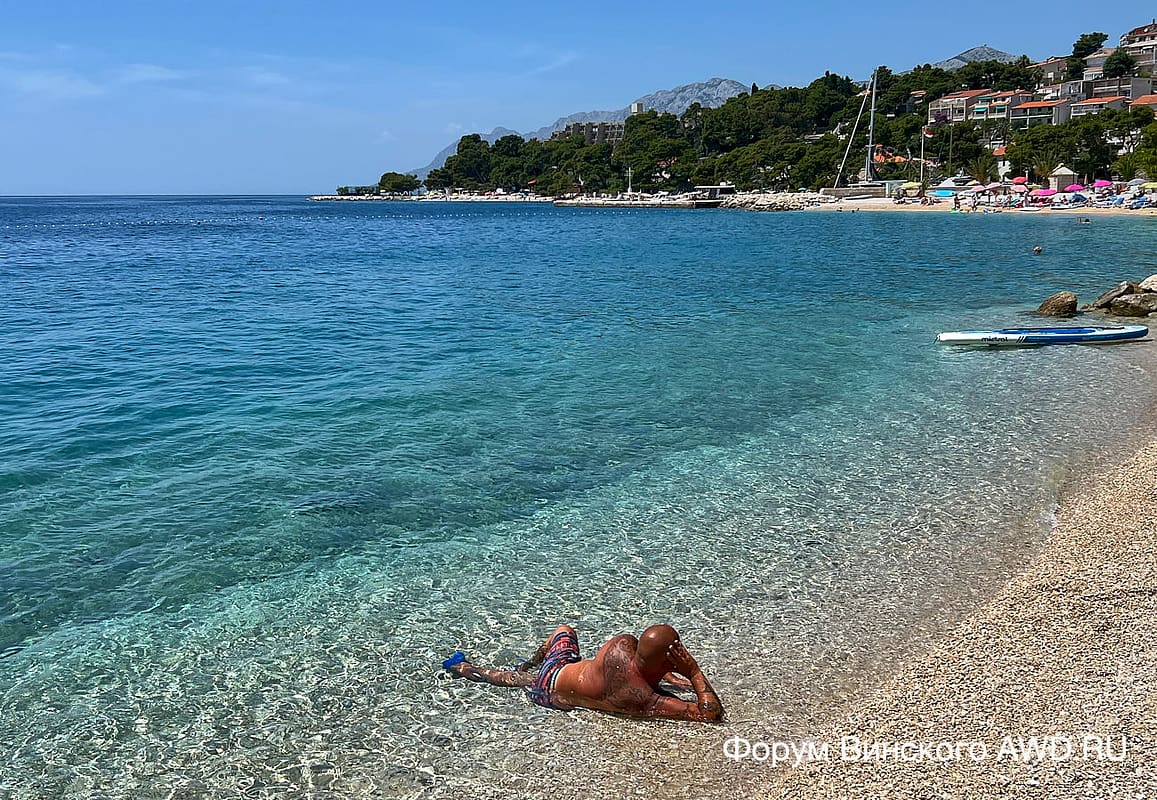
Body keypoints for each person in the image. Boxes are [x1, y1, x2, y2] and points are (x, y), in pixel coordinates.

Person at [443, 623, 724, 722]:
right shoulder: (640, 697)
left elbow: (640, 662)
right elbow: (709, 714)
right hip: (550, 691)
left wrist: (665, 673)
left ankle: (526, 663)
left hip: (559, 668)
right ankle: (463, 669)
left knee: (564, 631)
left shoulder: (623, 645)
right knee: (515, 681)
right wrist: (694, 672)